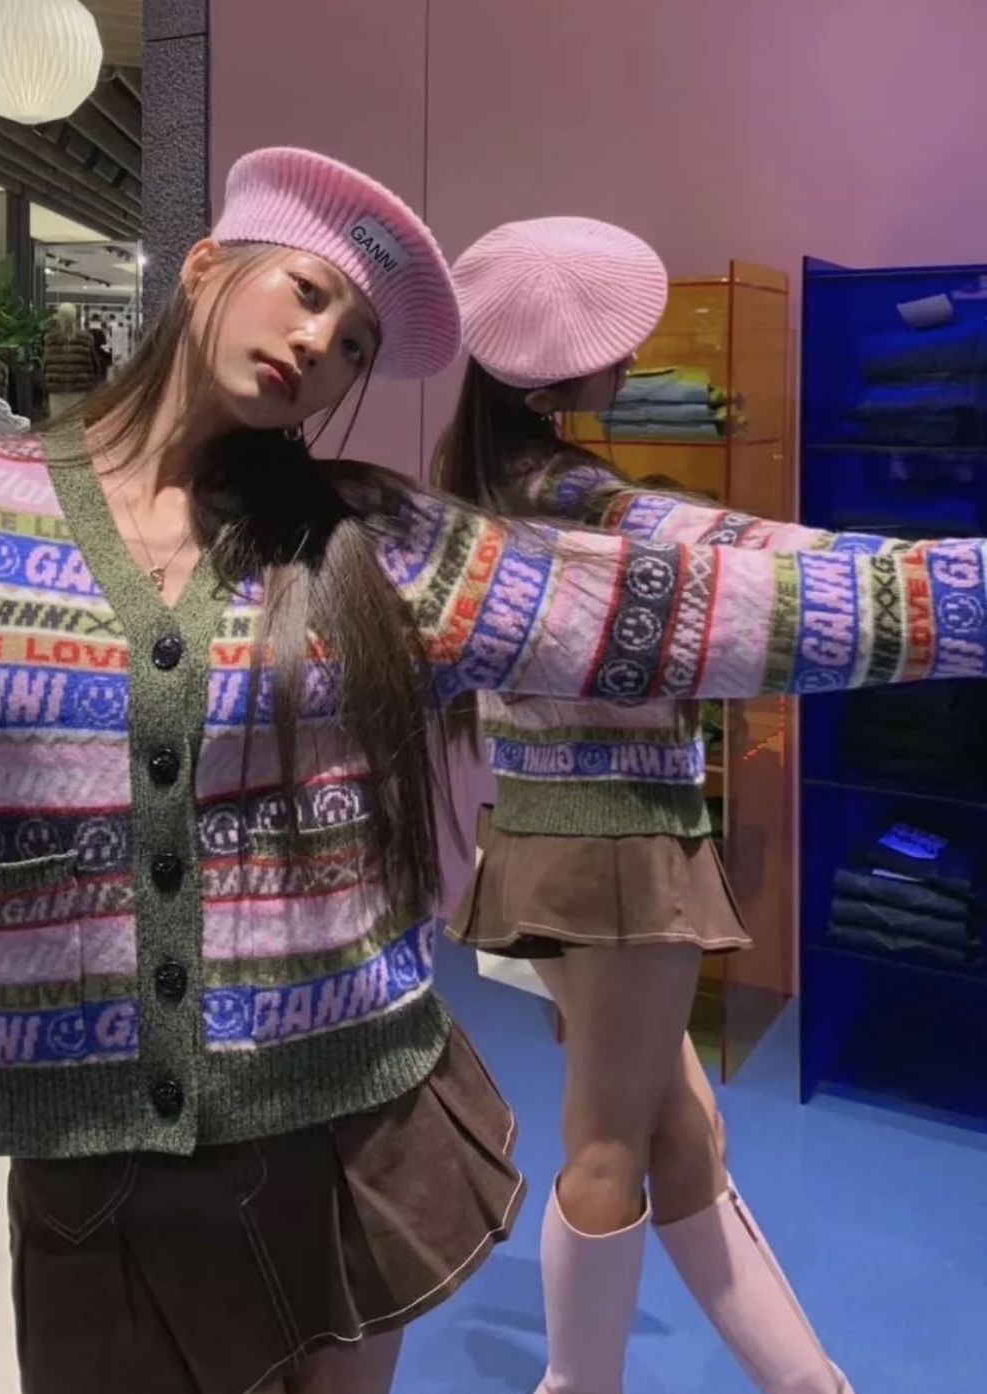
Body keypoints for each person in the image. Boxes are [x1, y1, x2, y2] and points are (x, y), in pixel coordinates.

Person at [0, 154, 987, 1394]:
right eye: (309, 290)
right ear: (205, 265)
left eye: (355, 344)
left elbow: (702, 605)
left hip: (362, 1145)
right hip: (99, 1184)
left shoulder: (370, 541)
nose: (319, 344)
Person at [440, 216, 930, 1393]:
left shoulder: (479, 493)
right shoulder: (595, 508)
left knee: (682, 1128)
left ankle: (810, 1382)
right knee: (616, 1139)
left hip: (547, 834)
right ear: (558, 380)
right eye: (611, 347)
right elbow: (781, 563)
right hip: (617, 842)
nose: (632, 362)